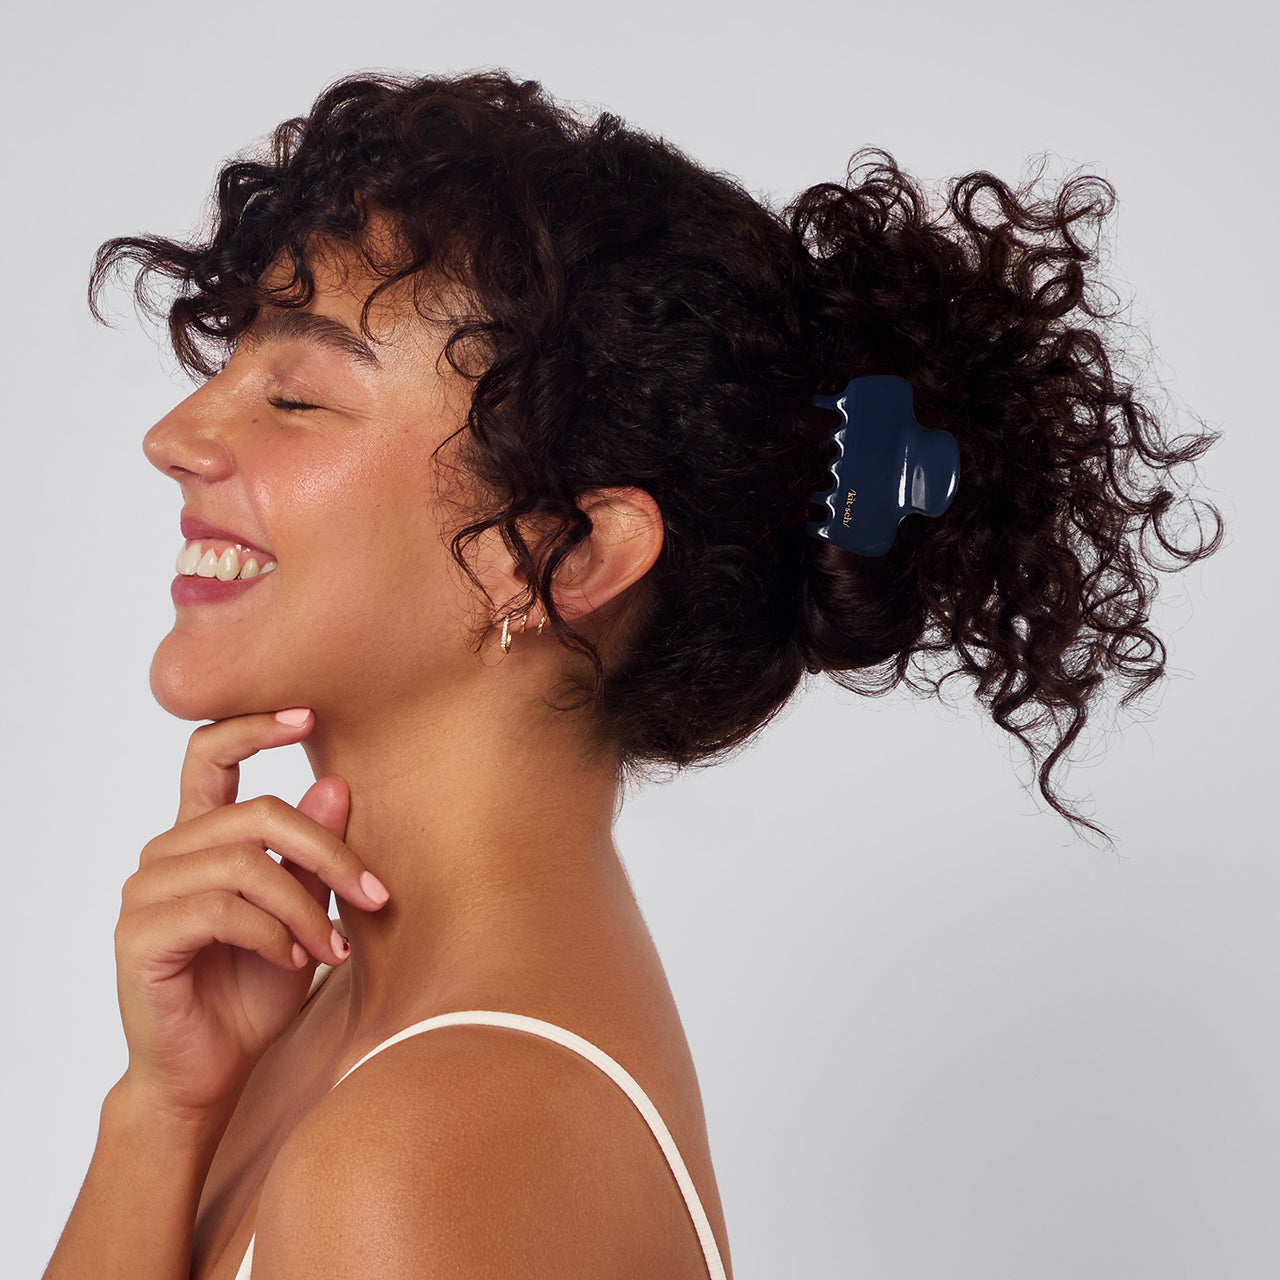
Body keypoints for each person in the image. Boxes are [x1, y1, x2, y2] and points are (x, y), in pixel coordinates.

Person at [44, 70, 1219, 1280]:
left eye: (295, 395)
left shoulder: (427, 1148)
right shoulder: (335, 1034)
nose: (175, 435)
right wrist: (160, 1110)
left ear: (564, 555)